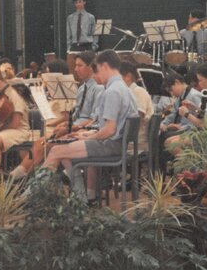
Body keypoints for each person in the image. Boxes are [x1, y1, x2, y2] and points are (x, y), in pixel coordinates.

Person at [42, 50, 136, 200]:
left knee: (56, 151)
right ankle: (82, 196)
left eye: (97, 70)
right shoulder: (124, 88)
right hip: (116, 143)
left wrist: (88, 138)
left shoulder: (112, 91)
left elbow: (110, 130)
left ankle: (33, 193)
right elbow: (111, 128)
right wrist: (88, 134)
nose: (95, 74)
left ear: (104, 66)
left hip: (110, 145)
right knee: (63, 151)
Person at [0, 67, 31, 169]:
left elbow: (15, 123)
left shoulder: (14, 94)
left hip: (20, 130)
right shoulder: (1, 94)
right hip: (8, 129)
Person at [119, 62, 155, 151]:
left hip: (135, 143)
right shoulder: (127, 93)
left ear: (128, 77)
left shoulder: (138, 92)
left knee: (94, 147)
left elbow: (136, 119)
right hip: (127, 140)